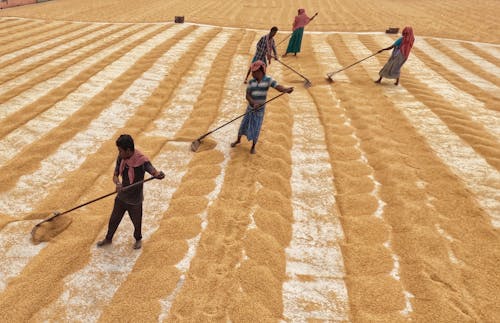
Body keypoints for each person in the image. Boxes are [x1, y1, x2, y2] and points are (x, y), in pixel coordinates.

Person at [97, 134, 165, 250]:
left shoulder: (142, 161)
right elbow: (115, 175)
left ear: (128, 150)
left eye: (120, 150)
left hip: (135, 200)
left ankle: (138, 239)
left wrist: (158, 175)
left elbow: (153, 171)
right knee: (114, 219)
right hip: (122, 196)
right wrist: (118, 184)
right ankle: (108, 239)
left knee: (136, 222)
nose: (119, 153)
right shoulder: (121, 158)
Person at [232, 60, 294, 154]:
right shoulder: (251, 82)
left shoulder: (268, 80)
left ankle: (253, 147)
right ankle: (238, 140)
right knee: (243, 125)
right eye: (252, 71)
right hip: (250, 108)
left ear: (261, 71)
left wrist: (286, 90)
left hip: (260, 110)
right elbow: (247, 95)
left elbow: (278, 87)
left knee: (256, 128)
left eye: (254, 72)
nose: (252, 74)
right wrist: (253, 103)